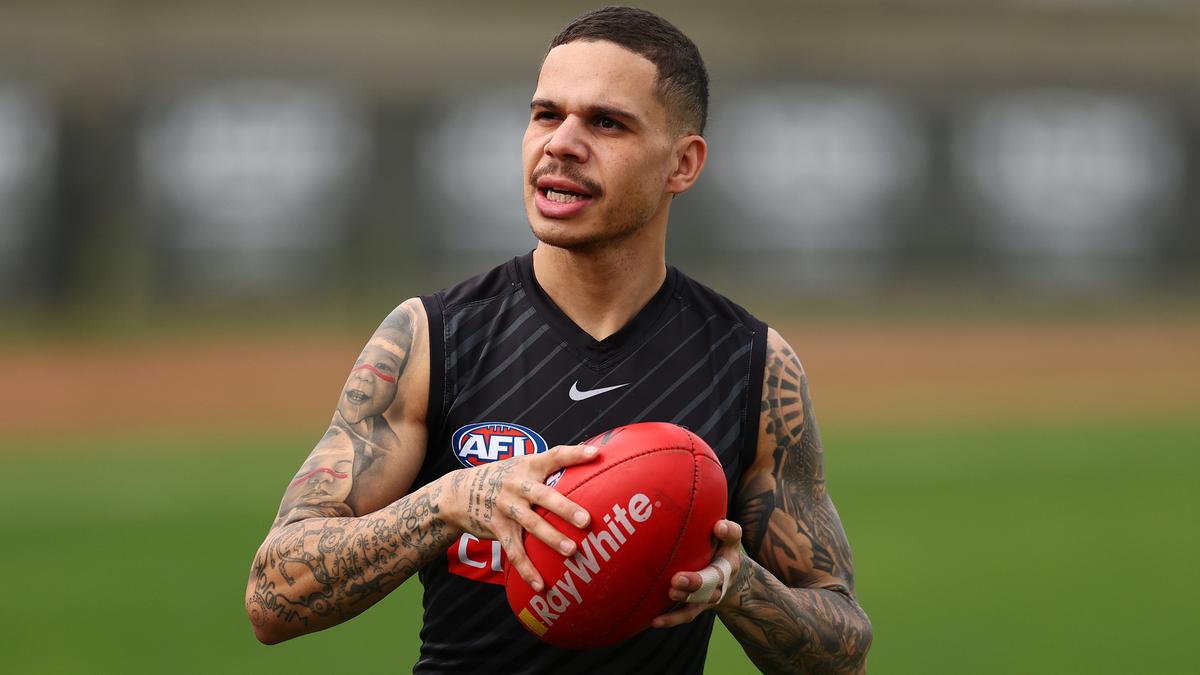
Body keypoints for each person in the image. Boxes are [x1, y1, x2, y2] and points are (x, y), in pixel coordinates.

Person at [244, 6, 872, 673]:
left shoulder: (750, 363)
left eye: (606, 123)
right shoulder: (433, 337)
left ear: (682, 164)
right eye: (546, 115)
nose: (561, 144)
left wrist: (739, 587)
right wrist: (447, 502)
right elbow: (271, 595)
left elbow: (844, 652)